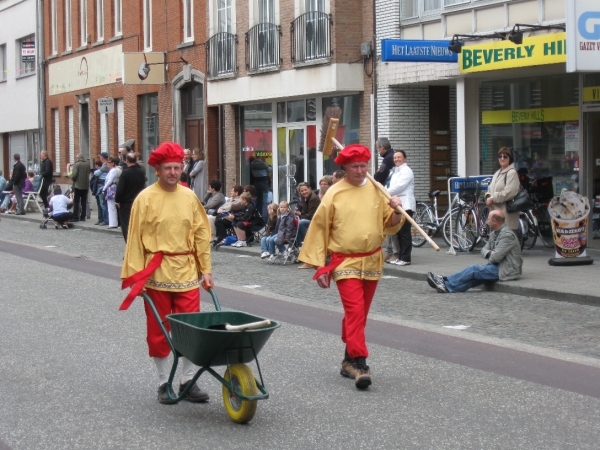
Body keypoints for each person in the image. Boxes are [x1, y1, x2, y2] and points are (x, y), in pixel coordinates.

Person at [298, 144, 403, 390]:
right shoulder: (335, 194)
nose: (360, 170)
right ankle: (360, 363)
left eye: (363, 165)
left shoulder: (378, 190)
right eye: (354, 166)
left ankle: (348, 359)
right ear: (344, 168)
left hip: (373, 258)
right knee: (355, 311)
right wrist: (320, 264)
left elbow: (390, 224)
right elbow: (319, 228)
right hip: (344, 261)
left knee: (360, 314)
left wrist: (397, 210)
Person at [120, 142, 213, 405]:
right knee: (158, 331)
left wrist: (205, 269)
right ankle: (163, 382)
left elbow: (201, 235)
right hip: (157, 273)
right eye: (168, 168)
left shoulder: (189, 196)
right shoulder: (145, 198)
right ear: (158, 170)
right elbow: (135, 239)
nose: (173, 172)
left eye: (177, 167)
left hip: (186, 273)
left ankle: (187, 380)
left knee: (190, 330)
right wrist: (137, 277)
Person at [427, 210, 522, 293]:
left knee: (474, 269)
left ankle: (445, 281)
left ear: (494, 221)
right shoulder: (494, 233)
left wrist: (492, 254)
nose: (486, 221)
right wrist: (490, 252)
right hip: (497, 266)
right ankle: (447, 287)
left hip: (506, 270)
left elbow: (495, 258)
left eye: (488, 219)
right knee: (473, 279)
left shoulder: (507, 235)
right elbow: (484, 250)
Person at [386, 150, 415, 266]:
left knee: (404, 232)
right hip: (397, 204)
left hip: (406, 204)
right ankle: (400, 256)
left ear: (405, 159)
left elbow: (400, 186)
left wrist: (384, 191)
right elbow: (390, 185)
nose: (396, 159)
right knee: (398, 232)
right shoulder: (395, 171)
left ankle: (406, 258)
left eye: (399, 157)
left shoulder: (407, 171)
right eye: (395, 158)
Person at [485, 147, 521, 234]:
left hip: (506, 215)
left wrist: (493, 198)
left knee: (506, 243)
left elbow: (510, 192)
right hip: (495, 216)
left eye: (505, 157)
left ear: (510, 158)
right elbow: (490, 188)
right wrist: (488, 197)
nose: (502, 159)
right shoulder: (497, 173)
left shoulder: (512, 172)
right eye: (500, 156)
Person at [115, 153, 146, 242]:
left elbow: (120, 189)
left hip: (126, 203)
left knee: (126, 226)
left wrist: (117, 200)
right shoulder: (141, 173)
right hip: (138, 201)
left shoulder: (125, 173)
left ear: (126, 161)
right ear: (136, 160)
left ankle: (129, 245)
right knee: (137, 225)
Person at [295, 182, 320, 268]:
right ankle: (296, 246)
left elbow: (311, 215)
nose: (304, 192)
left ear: (309, 189)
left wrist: (300, 214)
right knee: (294, 222)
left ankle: (301, 244)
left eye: (305, 190)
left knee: (302, 222)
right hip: (309, 220)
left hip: (316, 222)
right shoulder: (303, 199)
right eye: (302, 191)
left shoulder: (313, 199)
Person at [69, 153, 90, 222]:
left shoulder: (77, 164)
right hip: (85, 185)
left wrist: (71, 177)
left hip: (77, 185)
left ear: (77, 158)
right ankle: (83, 217)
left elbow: (74, 175)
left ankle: (75, 217)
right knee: (84, 202)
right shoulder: (87, 164)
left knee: (76, 201)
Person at [102, 157, 121, 228]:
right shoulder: (111, 171)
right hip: (110, 188)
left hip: (111, 188)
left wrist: (104, 189)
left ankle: (113, 223)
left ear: (113, 163)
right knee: (110, 206)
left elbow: (109, 181)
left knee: (111, 206)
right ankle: (112, 223)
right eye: (107, 162)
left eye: (109, 162)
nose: (108, 164)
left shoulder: (113, 170)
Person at [94, 152, 110, 225]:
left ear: (102, 157)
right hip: (100, 184)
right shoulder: (104, 165)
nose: (100, 158)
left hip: (102, 185)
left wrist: (97, 170)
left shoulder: (105, 165)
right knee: (100, 203)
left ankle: (105, 220)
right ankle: (101, 219)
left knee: (103, 203)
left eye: (100, 157)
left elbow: (96, 173)